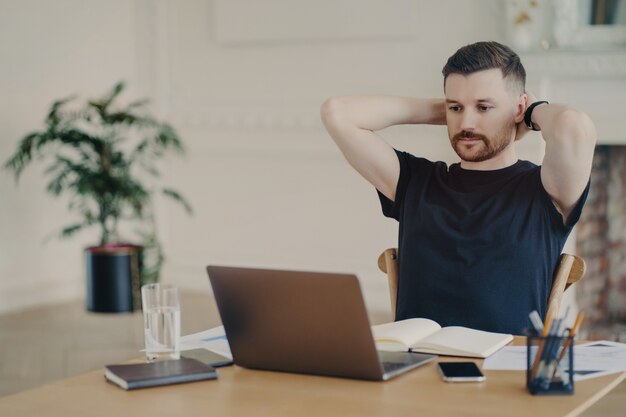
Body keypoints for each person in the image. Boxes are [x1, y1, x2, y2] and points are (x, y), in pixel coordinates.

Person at [320, 41, 596, 334]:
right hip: (417, 368)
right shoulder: (415, 181)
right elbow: (336, 113)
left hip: (504, 372)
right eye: (456, 107)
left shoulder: (546, 191)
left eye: (484, 107)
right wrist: (449, 110)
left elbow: (573, 125)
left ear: (518, 107)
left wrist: (532, 111)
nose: (466, 123)